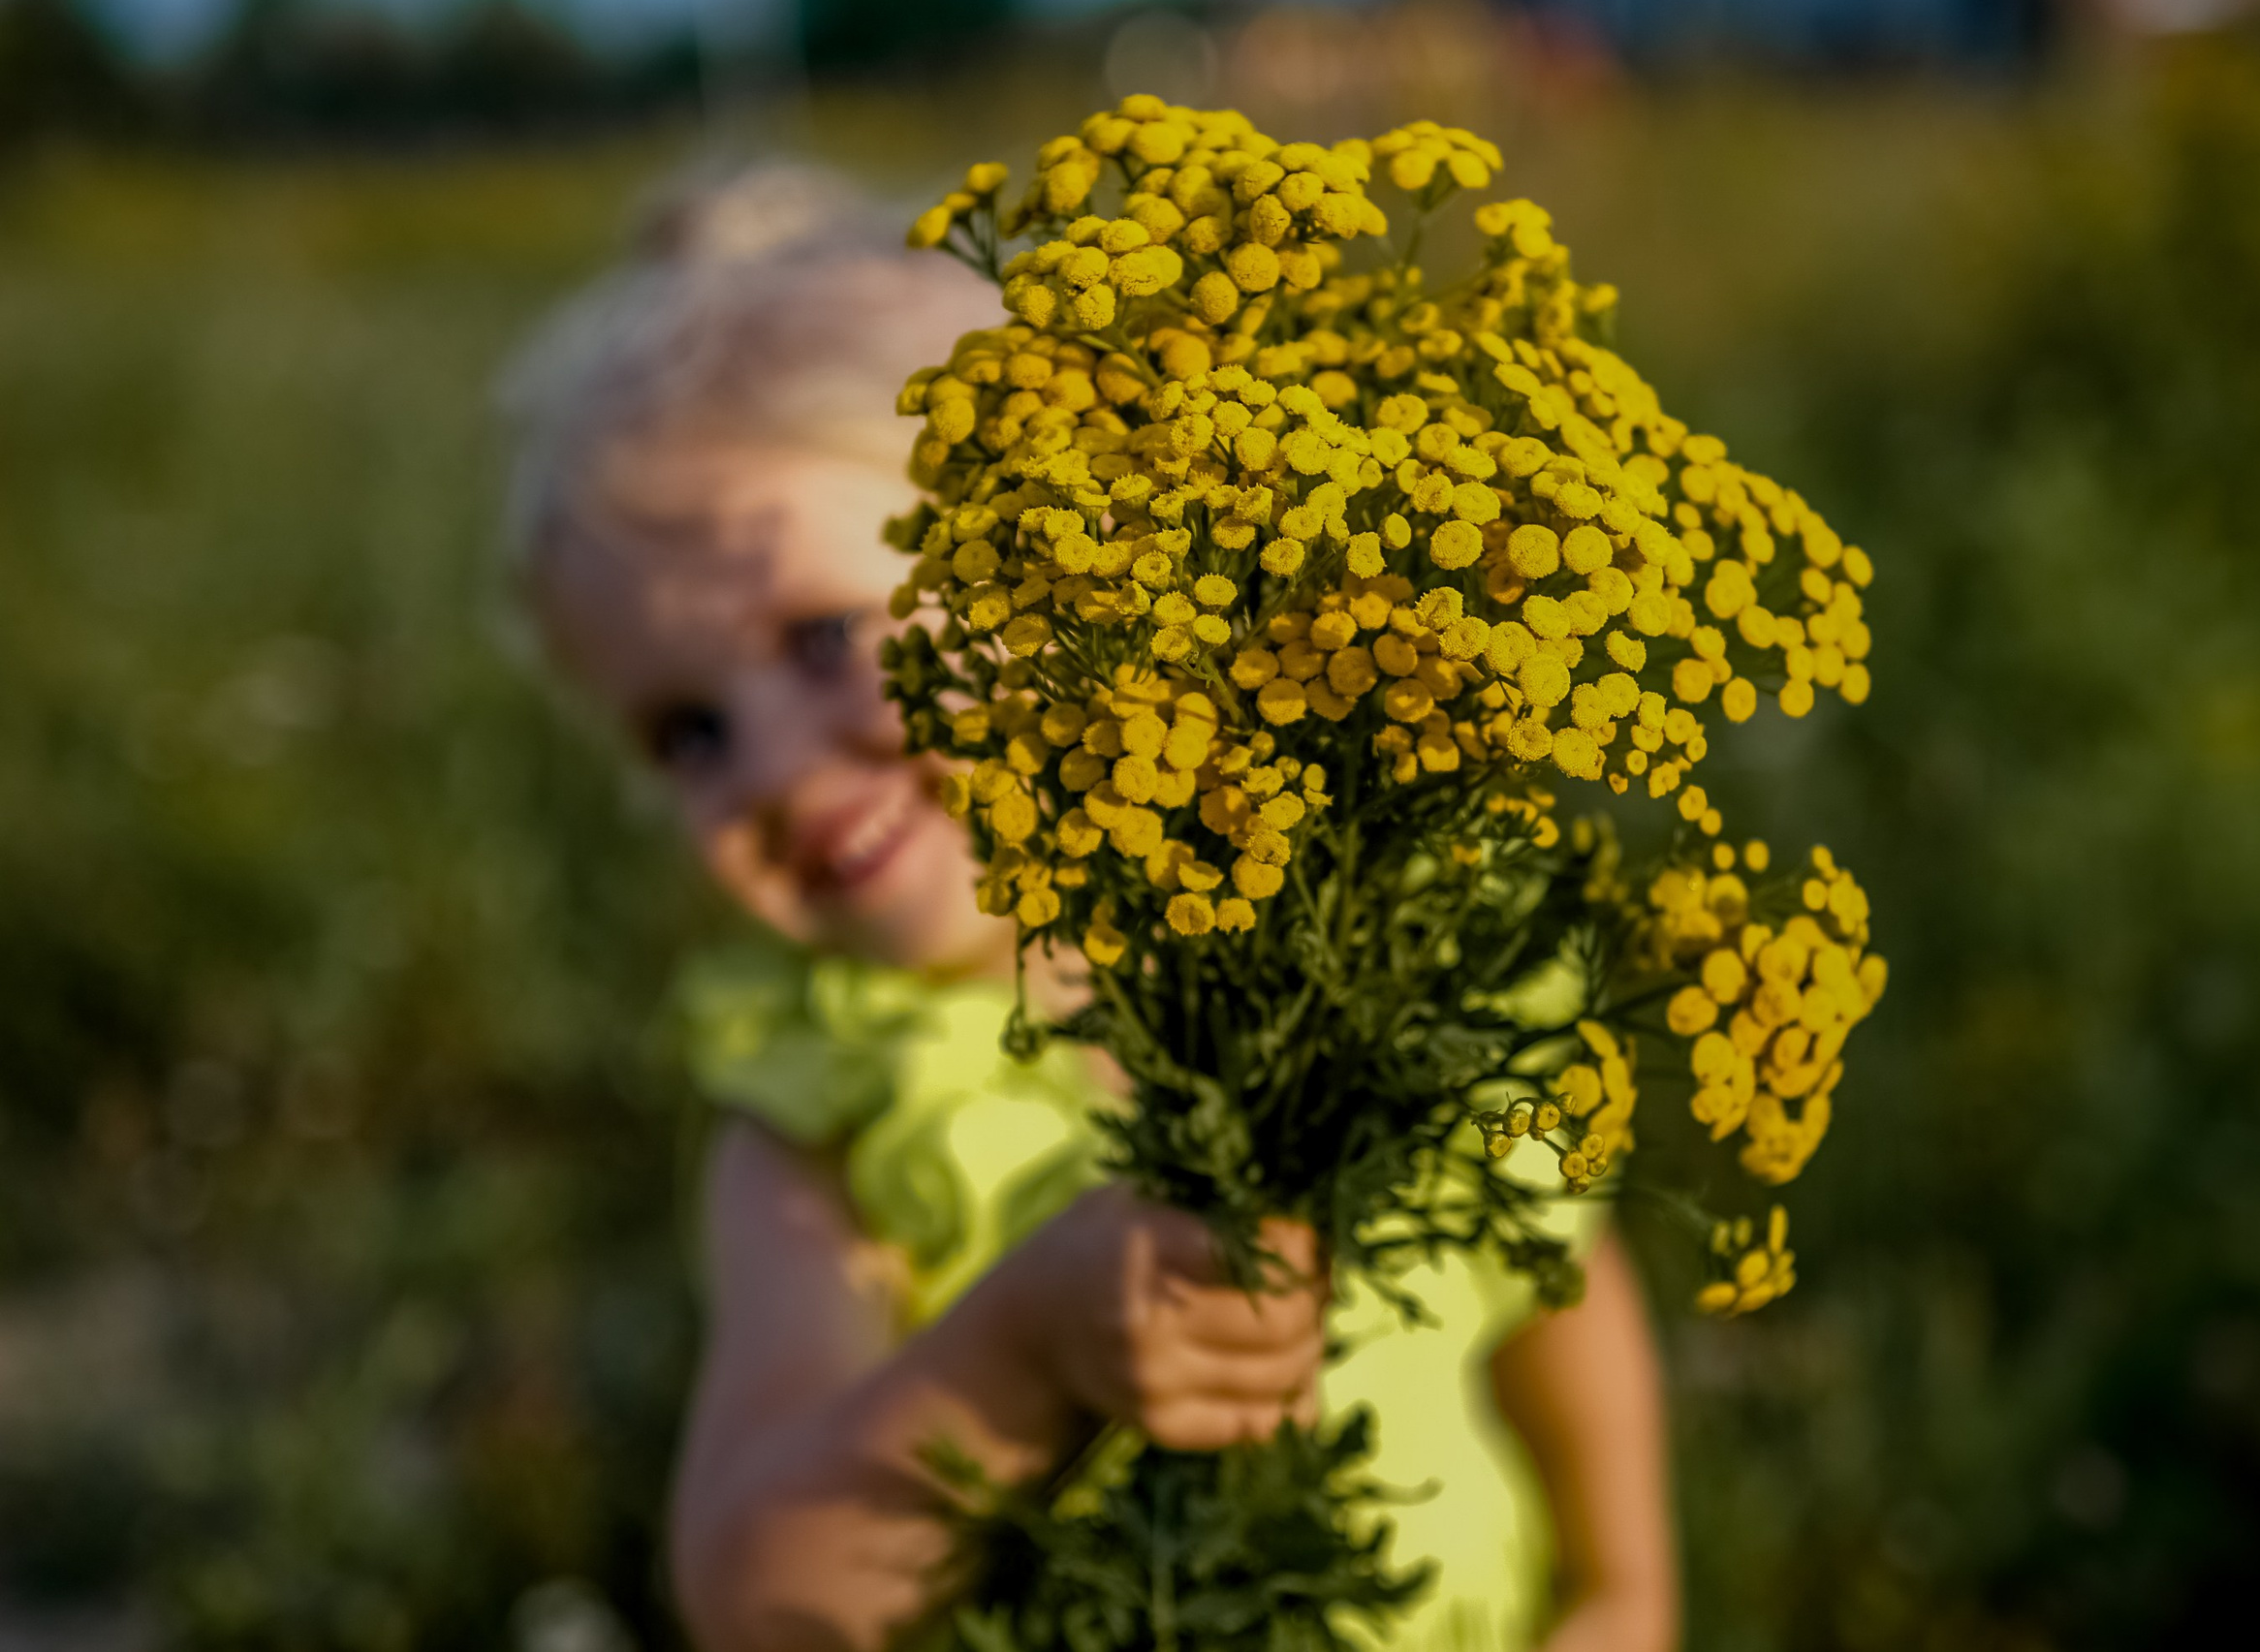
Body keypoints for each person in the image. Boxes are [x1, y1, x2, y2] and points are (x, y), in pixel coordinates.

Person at [500, 160, 1681, 1652]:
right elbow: (758, 1597)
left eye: (820, 641)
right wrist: (1021, 1347)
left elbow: (1561, 1280)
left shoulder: (1386, 933)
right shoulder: (817, 1124)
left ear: (1058, 555)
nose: (778, 771)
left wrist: (1621, 1596)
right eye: (687, 733)